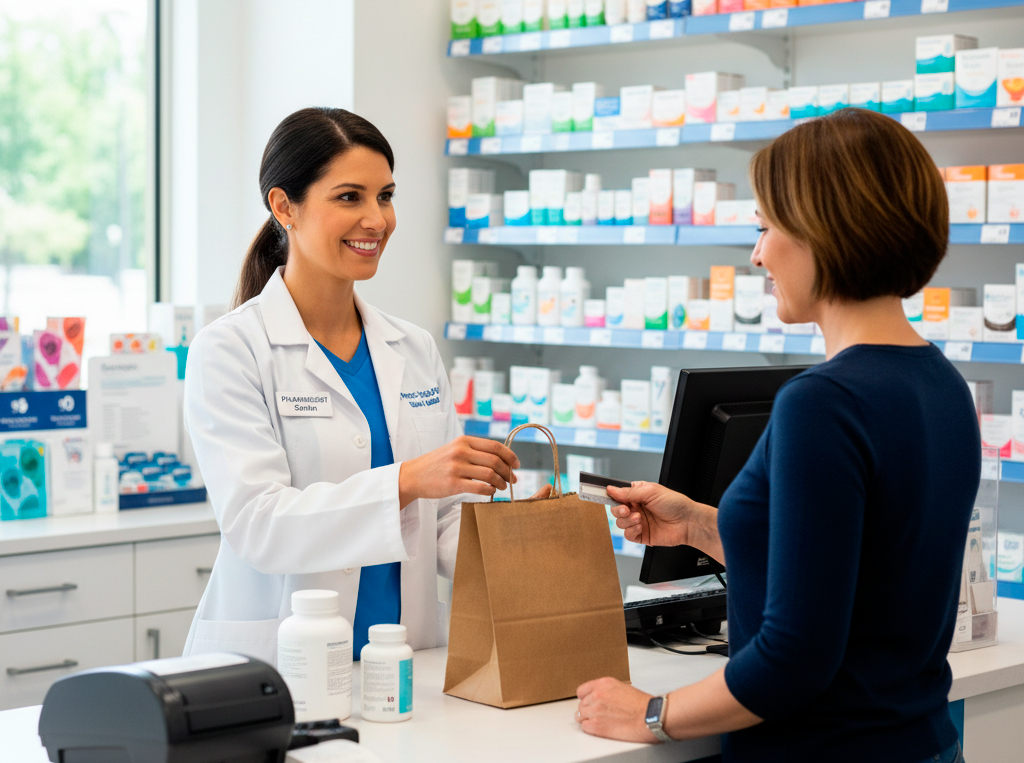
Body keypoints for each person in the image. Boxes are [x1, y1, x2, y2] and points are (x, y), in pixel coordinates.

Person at [574, 108, 978, 763]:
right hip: (920, 741)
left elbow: (794, 657)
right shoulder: (942, 384)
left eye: (765, 227)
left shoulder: (823, 402)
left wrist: (651, 712)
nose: (758, 252)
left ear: (825, 228)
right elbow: (864, 577)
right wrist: (702, 526)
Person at [181, 107, 549, 665]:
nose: (376, 220)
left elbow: (442, 519)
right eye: (350, 197)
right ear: (285, 207)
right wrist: (405, 480)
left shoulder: (413, 348)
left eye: (386, 195)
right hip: (283, 668)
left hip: (405, 661)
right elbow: (259, 525)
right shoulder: (230, 349)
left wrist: (515, 543)